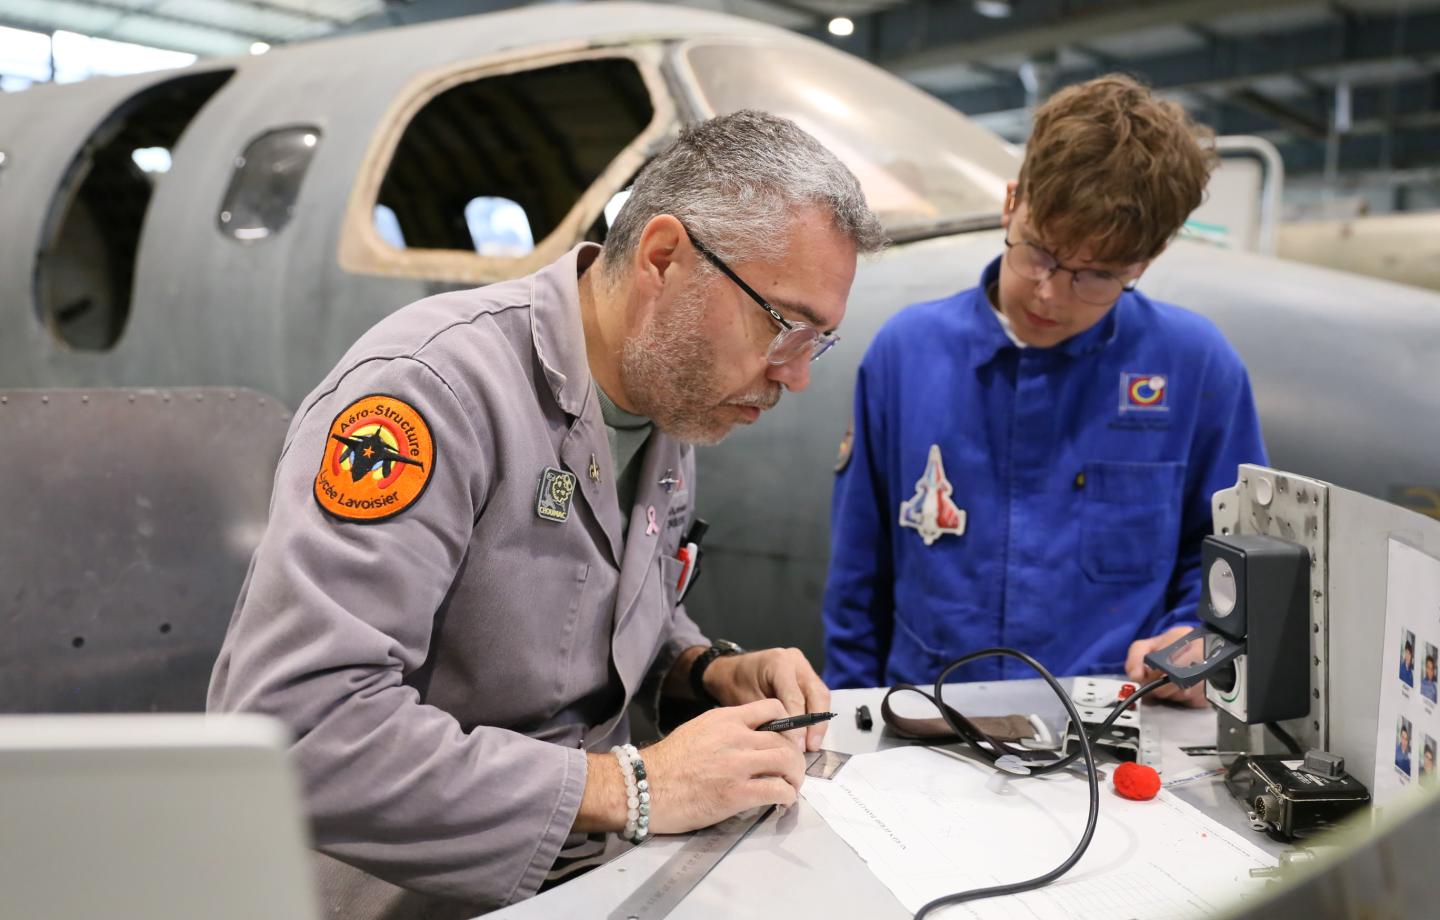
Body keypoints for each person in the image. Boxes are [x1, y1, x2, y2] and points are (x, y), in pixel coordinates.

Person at [208, 111, 885, 918]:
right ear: (664, 260)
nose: (796, 376)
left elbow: (595, 607)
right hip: (404, 892)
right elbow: (294, 730)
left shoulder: (668, 401)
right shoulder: (427, 396)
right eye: (784, 326)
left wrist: (699, 670)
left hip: (590, 871)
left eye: (819, 342)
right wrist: (630, 785)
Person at [822, 74, 1265, 704]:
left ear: (1147, 259)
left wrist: (1196, 641)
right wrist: (852, 719)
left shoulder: (1196, 369)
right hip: (927, 730)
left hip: (1115, 731)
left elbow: (1224, 563)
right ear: (1011, 203)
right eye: (1041, 253)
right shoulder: (905, 355)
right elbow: (856, 583)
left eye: (1096, 275)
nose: (1051, 294)